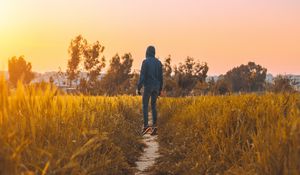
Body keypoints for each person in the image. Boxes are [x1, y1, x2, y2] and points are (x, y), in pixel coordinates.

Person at [137, 46, 163, 135]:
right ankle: (155, 127)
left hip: (148, 86)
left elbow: (142, 76)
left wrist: (139, 87)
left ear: (147, 52)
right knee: (153, 106)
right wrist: (160, 89)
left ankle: (146, 127)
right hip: (156, 86)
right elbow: (161, 77)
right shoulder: (159, 63)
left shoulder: (145, 62)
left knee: (145, 105)